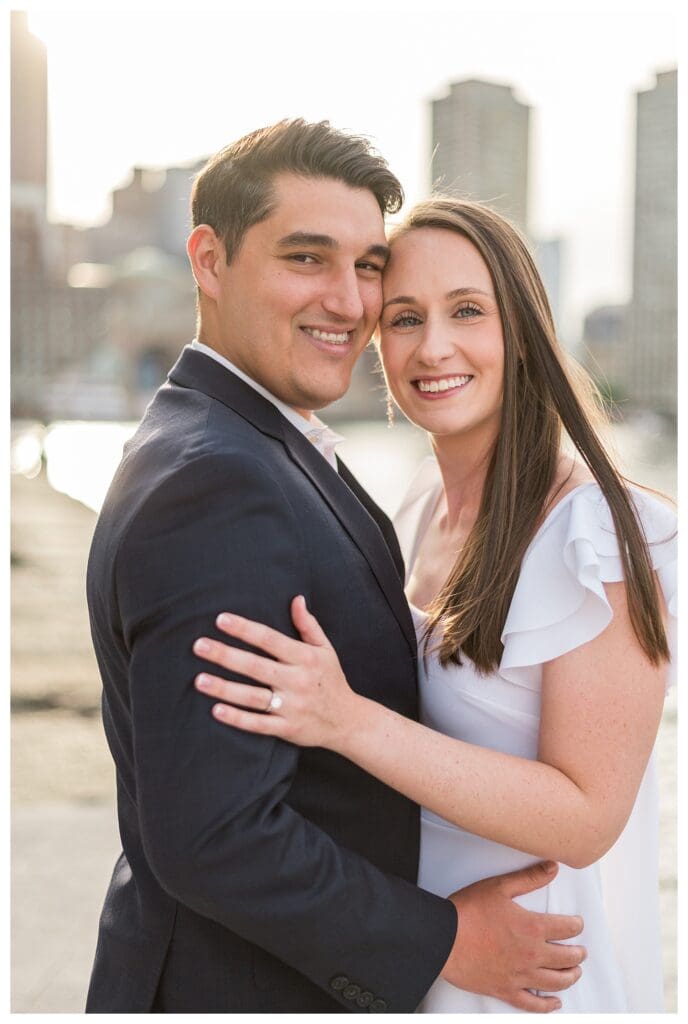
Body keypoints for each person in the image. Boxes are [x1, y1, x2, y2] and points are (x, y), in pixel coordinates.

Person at [85, 124, 586, 1013]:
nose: (349, 301)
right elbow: (215, 832)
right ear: (210, 259)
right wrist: (446, 942)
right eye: (308, 258)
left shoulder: (253, 445)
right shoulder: (218, 480)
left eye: (366, 267)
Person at [192, 196, 677, 1012]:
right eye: (406, 317)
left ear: (522, 328)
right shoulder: (413, 506)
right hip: (430, 959)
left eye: (467, 312)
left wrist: (345, 720)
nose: (434, 346)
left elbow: (589, 816)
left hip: (537, 981)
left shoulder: (599, 532)